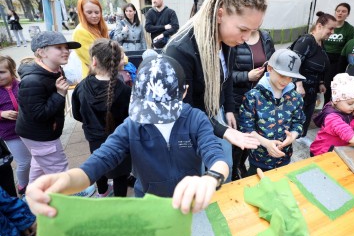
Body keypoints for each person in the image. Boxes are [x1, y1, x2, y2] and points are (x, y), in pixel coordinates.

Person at [26, 54, 229, 217]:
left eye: (164, 108)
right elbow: (97, 163)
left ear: (184, 92)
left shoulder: (196, 119)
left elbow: (216, 155)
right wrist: (63, 181)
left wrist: (211, 178)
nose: (156, 117)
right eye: (150, 108)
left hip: (190, 202)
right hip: (149, 204)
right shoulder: (132, 126)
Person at [164, 0, 265, 180]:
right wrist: (222, 130)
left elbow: (225, 78)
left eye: (253, 31)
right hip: (189, 124)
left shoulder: (229, 41)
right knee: (200, 175)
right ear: (220, 14)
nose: (246, 38)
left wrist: (228, 108)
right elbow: (184, 112)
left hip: (215, 114)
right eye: (243, 29)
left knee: (224, 168)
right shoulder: (180, 50)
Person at [15, 32, 96, 197]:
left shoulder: (56, 70)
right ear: (41, 52)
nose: (65, 51)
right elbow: (38, 114)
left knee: (38, 165)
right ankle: (71, 194)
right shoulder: (32, 81)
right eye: (59, 47)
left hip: (41, 133)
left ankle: (30, 196)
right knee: (58, 166)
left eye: (66, 47)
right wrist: (59, 94)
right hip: (41, 135)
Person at [72, 39, 132, 198]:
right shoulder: (125, 90)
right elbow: (129, 117)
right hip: (120, 139)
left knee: (98, 165)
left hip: (94, 137)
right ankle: (119, 201)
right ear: (118, 61)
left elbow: (77, 114)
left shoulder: (81, 87)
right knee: (121, 172)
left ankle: (103, 192)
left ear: (94, 61)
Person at [239, 49, 306, 174]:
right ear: (270, 68)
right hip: (258, 160)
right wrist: (266, 143)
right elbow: (245, 128)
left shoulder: (296, 98)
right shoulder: (253, 96)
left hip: (284, 157)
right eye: (282, 75)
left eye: (290, 77)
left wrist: (293, 136)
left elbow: (299, 122)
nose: (286, 81)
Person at [231, 29, 275, 180]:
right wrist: (246, 76)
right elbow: (224, 74)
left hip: (260, 99)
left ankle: (241, 164)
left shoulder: (266, 37)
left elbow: (273, 64)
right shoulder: (235, 37)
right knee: (239, 139)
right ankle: (234, 169)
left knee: (254, 136)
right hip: (238, 99)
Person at [290, 11, 337, 139]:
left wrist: (321, 82)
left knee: (302, 127)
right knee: (293, 126)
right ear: (319, 26)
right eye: (331, 28)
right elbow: (293, 63)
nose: (332, 32)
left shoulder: (321, 43)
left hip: (311, 92)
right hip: (299, 93)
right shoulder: (306, 40)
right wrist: (298, 84)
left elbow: (321, 65)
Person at [0, 56, 31, 197]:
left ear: (12, 71)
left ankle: (35, 183)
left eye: (2, 72)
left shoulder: (21, 85)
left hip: (28, 129)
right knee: (24, 162)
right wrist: (2, 114)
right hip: (10, 133)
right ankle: (23, 185)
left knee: (35, 158)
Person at [322, 3, 354, 102]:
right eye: (338, 11)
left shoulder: (349, 29)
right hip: (323, 55)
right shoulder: (329, 25)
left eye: (343, 11)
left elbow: (348, 47)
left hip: (337, 59)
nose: (340, 13)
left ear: (348, 14)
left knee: (329, 84)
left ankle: (326, 106)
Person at [72, 0, 109, 78]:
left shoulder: (99, 28)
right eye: (89, 12)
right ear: (82, 13)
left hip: (104, 76)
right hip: (95, 78)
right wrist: (122, 59)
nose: (94, 16)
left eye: (97, 12)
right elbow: (95, 61)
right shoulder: (80, 32)